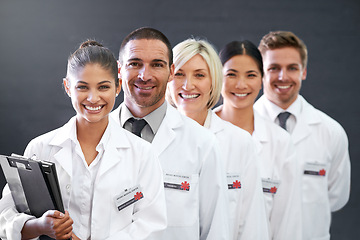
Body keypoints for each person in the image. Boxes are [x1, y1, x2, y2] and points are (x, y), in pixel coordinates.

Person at [0, 40, 167, 240]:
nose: (93, 98)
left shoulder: (142, 154)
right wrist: (40, 226)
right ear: (68, 87)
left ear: (118, 86)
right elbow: (5, 218)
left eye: (103, 87)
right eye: (82, 87)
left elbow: (152, 227)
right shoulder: (40, 148)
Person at [110, 27, 230, 240]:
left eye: (156, 64)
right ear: (119, 69)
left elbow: (216, 231)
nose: (144, 75)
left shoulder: (202, 143)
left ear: (171, 71)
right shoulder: (96, 135)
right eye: (135, 63)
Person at [166, 38, 269, 240]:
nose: (188, 85)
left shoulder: (240, 142)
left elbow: (252, 223)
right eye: (179, 74)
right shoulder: (152, 140)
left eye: (199, 75)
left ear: (214, 81)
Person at [254, 31, 351, 240]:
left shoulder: (330, 132)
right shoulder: (241, 130)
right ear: (261, 72)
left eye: (292, 68)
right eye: (274, 68)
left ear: (304, 72)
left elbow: (336, 197)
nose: (283, 77)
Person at [214, 40, 302, 240]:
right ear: (218, 78)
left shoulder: (280, 142)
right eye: (231, 74)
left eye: (251, 75)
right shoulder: (200, 133)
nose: (241, 84)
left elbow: (287, 221)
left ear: (262, 79)